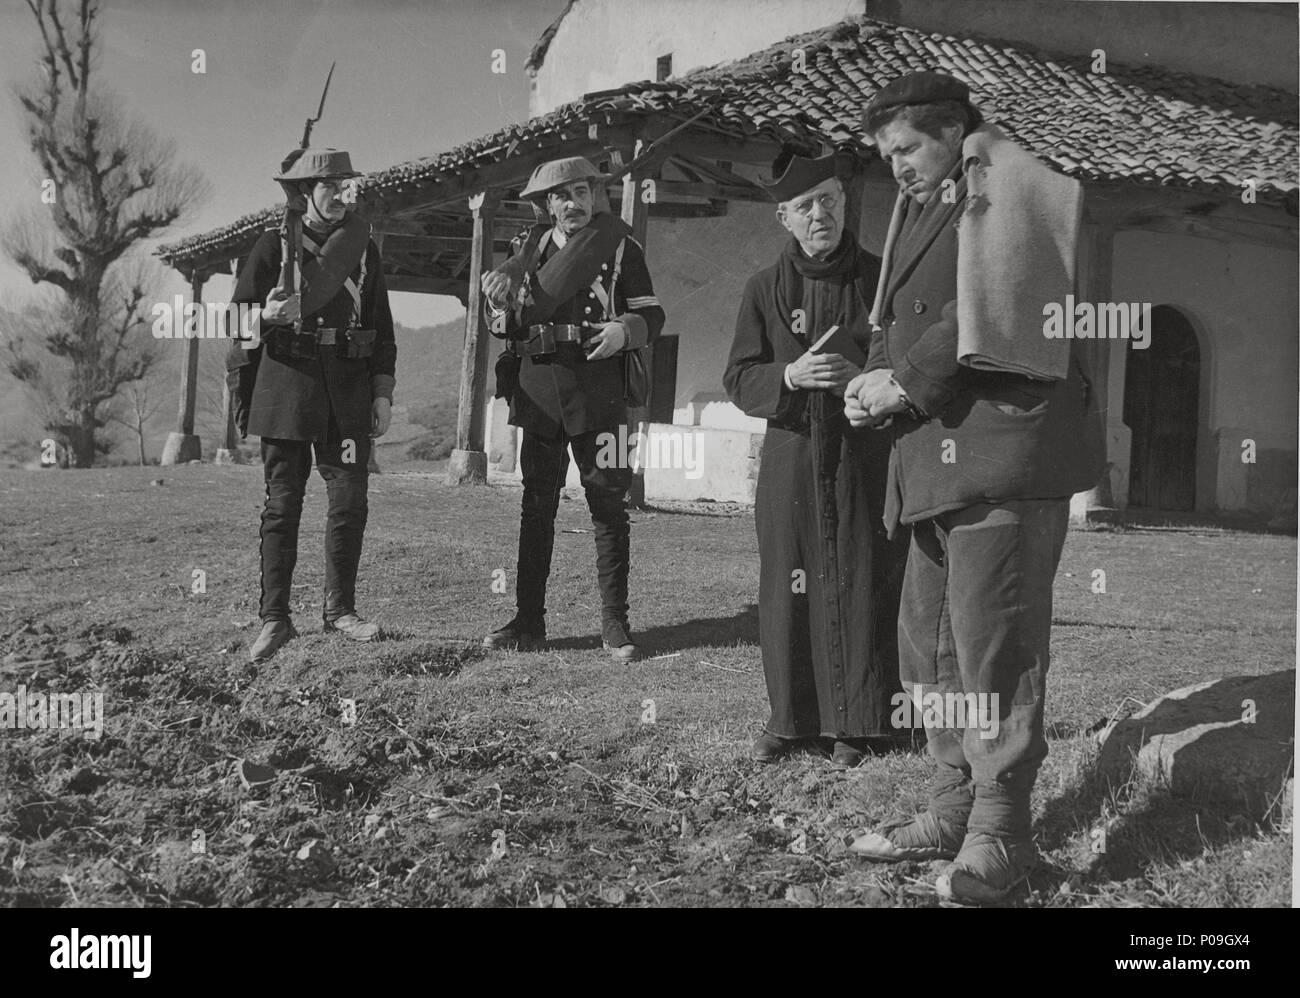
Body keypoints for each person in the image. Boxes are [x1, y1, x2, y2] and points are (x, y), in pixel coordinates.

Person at [843, 72, 1104, 902]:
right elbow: (910, 319)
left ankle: (1002, 830)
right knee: (933, 649)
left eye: (909, 147)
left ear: (954, 129)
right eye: (887, 155)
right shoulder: (919, 208)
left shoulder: (1009, 184)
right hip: (931, 460)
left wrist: (905, 381)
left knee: (995, 648)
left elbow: (989, 302)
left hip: (1000, 453)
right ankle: (952, 805)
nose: (897, 168)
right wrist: (873, 375)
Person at [723, 150, 906, 768]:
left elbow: (905, 358)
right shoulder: (762, 289)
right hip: (793, 456)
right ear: (784, 217)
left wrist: (868, 374)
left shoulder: (882, 280)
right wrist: (790, 375)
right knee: (788, 582)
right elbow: (739, 377)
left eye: (829, 199)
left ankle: (862, 723)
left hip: (863, 453)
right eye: (805, 206)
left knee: (864, 575)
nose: (819, 213)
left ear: (845, 204)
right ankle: (792, 720)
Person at [480, 156, 665, 662]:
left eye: (581, 192)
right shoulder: (525, 251)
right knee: (537, 504)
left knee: (608, 504)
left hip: (599, 385)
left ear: (593, 196)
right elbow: (506, 323)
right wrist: (495, 307)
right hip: (539, 385)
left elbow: (652, 312)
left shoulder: (620, 245)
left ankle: (614, 625)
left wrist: (624, 331)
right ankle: (527, 621)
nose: (573, 203)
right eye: (561, 196)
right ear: (546, 205)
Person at [226, 147, 396, 663]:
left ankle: (340, 610)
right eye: (331, 186)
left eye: (348, 185)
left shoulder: (362, 247)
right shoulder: (272, 245)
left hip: (347, 388)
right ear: (304, 193)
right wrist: (267, 316)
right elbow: (233, 323)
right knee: (283, 506)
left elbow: (381, 325)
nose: (344, 194)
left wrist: (382, 391)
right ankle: (275, 618)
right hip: (287, 386)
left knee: (349, 502)